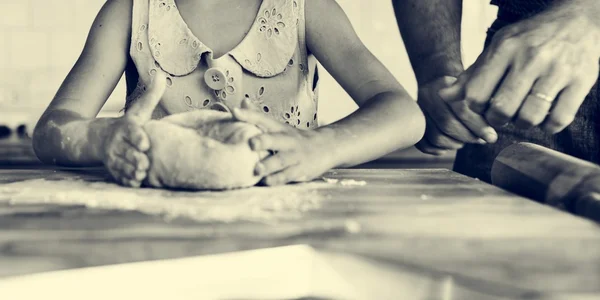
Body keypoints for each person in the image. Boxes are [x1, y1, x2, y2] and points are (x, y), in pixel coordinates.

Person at [32, 0, 425, 188]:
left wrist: (322, 146)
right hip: (154, 233)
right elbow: (52, 129)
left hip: (291, 227)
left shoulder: (305, 9)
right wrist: (101, 139)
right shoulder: (130, 12)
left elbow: (404, 115)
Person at [393, 0, 600, 182]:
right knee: (491, 220)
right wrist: (436, 68)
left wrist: (589, 13)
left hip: (548, 41)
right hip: (528, 54)